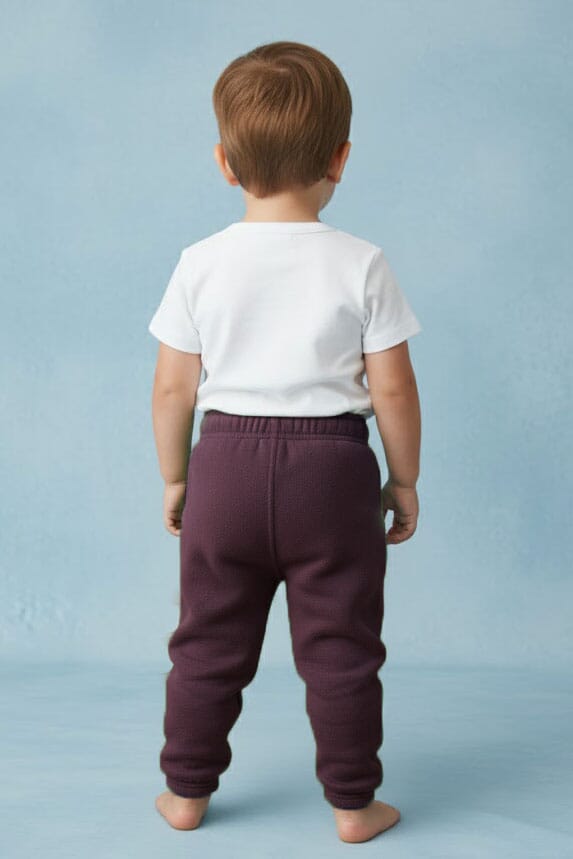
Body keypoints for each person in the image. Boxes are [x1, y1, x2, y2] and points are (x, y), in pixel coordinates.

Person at [148, 40, 422, 844]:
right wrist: (403, 478)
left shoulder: (199, 263)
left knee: (206, 642)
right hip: (331, 473)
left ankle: (185, 792)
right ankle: (353, 804)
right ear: (340, 158)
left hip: (223, 467)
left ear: (224, 163)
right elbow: (393, 389)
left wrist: (175, 476)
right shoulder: (362, 264)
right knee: (341, 647)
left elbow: (172, 389)